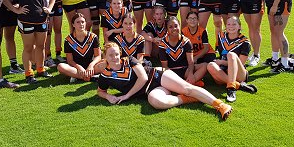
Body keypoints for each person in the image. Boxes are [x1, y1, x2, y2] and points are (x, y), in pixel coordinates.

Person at [95, 42, 233, 120]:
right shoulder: (105, 75)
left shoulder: (130, 60)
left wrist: (127, 96)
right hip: (150, 91)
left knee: (187, 88)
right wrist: (108, 96)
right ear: (105, 57)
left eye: (117, 54)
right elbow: (100, 91)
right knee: (156, 102)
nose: (115, 57)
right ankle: (186, 99)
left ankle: (220, 105)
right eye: (111, 55)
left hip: (158, 75)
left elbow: (143, 77)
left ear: (120, 53)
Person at [3, 0, 55, 84]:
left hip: (42, 19)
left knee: (41, 46)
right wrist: (15, 9)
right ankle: (28, 73)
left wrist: (49, 8)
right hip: (25, 20)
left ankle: (41, 69)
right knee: (28, 47)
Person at [207, 16, 258, 102]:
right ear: (225, 26)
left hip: (239, 74)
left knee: (231, 55)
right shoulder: (221, 36)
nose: (231, 26)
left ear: (239, 27)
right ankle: (239, 86)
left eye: (234, 24)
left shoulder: (245, 42)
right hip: (224, 73)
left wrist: (222, 62)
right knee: (210, 65)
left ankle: (231, 89)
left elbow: (241, 63)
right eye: (229, 24)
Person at [159, 16, 207, 86]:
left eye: (176, 26)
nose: (174, 29)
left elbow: (190, 62)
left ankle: (188, 82)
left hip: (185, 70)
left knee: (205, 66)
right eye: (170, 27)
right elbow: (165, 67)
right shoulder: (163, 44)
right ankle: (190, 83)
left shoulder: (186, 41)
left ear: (179, 26)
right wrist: (172, 77)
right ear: (167, 29)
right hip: (171, 72)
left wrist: (190, 74)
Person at [58, 13, 101, 83]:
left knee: (106, 64)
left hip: (92, 67)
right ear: (73, 25)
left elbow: (98, 56)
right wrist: (79, 67)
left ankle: (77, 76)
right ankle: (90, 77)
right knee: (60, 66)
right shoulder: (68, 40)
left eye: (83, 22)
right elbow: (70, 61)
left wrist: (91, 65)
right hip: (76, 68)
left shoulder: (93, 37)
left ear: (86, 23)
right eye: (78, 22)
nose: (81, 24)